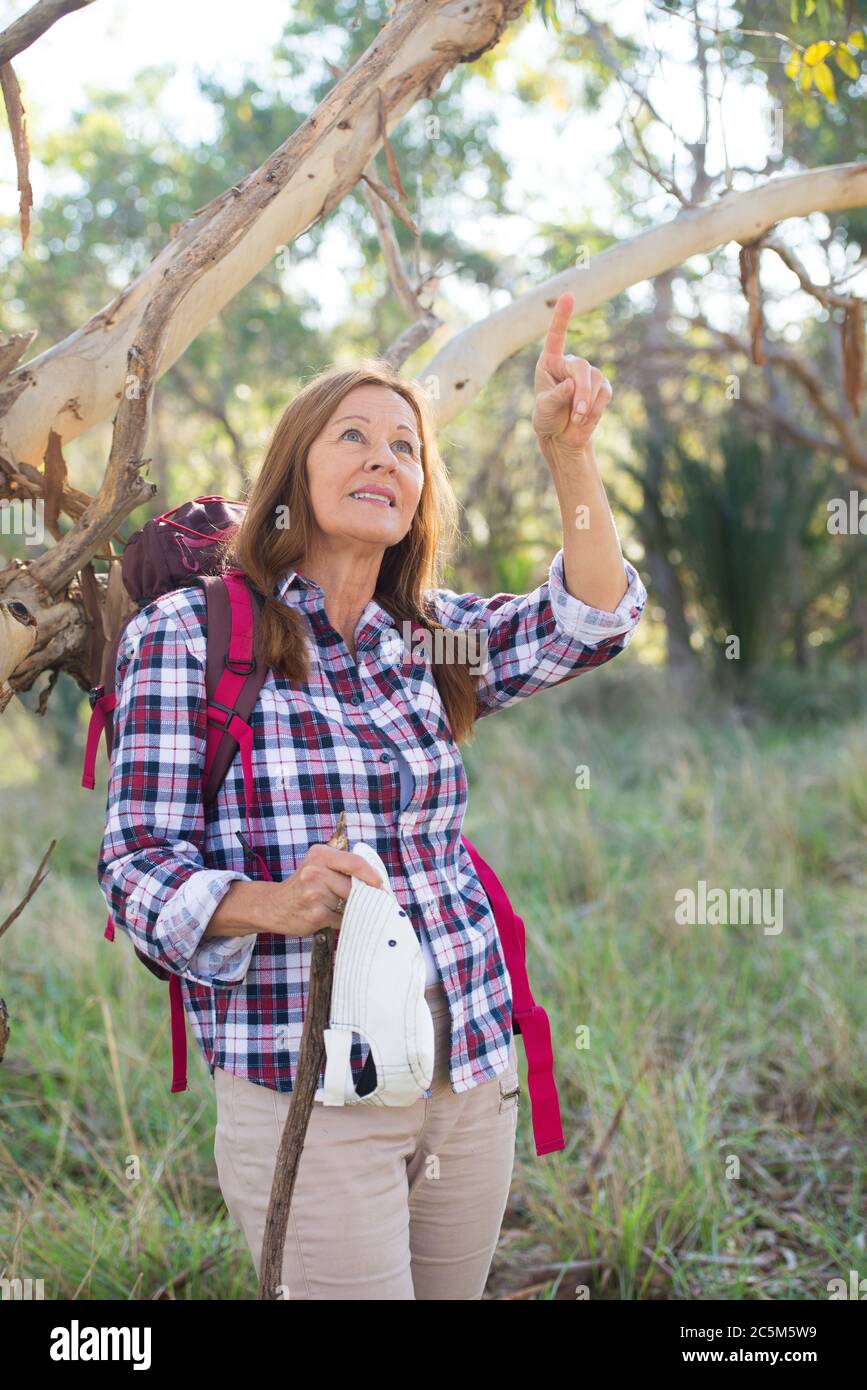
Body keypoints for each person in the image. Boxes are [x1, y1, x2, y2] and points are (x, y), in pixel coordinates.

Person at [98, 291, 647, 1300]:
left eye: (406, 446)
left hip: (469, 1072)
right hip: (306, 1082)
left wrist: (568, 453)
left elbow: (593, 619)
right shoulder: (188, 637)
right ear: (293, 475)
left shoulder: (426, 639)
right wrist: (272, 903)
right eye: (352, 435)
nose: (384, 458)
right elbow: (133, 864)